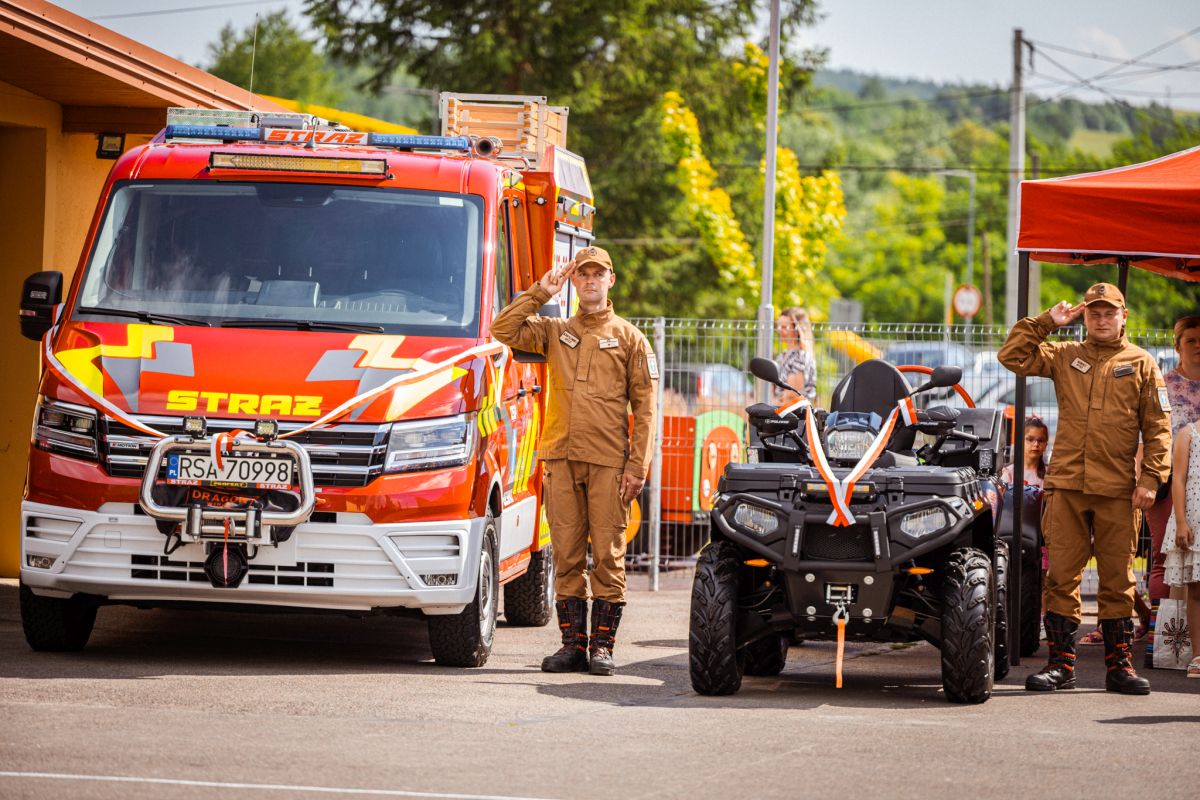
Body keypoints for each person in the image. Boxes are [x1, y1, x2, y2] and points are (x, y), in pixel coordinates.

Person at [491, 246, 658, 676]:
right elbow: (502, 328)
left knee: (608, 557)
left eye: (597, 274)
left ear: (610, 280)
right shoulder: (555, 331)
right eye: (582, 274)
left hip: (608, 464)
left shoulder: (630, 339)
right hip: (561, 459)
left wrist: (636, 467)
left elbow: (646, 410)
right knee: (566, 556)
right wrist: (541, 291)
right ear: (574, 281)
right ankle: (572, 646)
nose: (590, 281)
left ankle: (602, 647)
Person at [998, 282, 1171, 695]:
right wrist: (1047, 321)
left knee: (1118, 581)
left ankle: (1119, 668)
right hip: (1067, 486)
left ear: (1124, 316)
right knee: (1061, 577)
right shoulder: (1065, 354)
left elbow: (1158, 428)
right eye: (1094, 312)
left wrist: (1150, 479)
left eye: (1109, 312)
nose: (1101, 319)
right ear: (1085, 317)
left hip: (1117, 490)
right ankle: (1061, 665)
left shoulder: (1142, 363)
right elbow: (1012, 356)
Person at [1146, 317, 1200, 605]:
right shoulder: (1164, 385)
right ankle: (1161, 626)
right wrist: (1144, 479)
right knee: (1164, 555)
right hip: (1169, 480)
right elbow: (1145, 434)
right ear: (1178, 346)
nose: (1198, 346)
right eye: (1191, 340)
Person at [1001, 417, 1050, 618]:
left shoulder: (1048, 475)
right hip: (1015, 534)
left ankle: (1042, 619)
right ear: (1021, 441)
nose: (1035, 444)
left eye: (1040, 440)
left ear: (1046, 443)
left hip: (1041, 536)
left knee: (1043, 580)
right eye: (1030, 439)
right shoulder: (1009, 472)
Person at [1162, 419, 1200, 677]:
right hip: (1194, 519)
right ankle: (1198, 655)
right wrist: (1181, 522)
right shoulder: (1188, 434)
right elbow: (1178, 479)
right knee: (1196, 591)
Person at [774, 307, 817, 404]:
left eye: (784, 327)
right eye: (778, 326)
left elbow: (791, 396)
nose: (779, 330)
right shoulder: (782, 356)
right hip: (780, 410)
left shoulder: (800, 357)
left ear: (797, 330)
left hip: (792, 412)